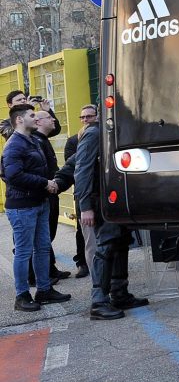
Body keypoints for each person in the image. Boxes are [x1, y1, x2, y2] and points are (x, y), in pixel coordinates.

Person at [55, 108, 150, 321]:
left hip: (116, 199)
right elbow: (81, 167)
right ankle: (99, 302)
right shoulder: (95, 133)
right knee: (105, 247)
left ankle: (119, 293)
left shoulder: (114, 131)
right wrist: (84, 205)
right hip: (101, 200)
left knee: (120, 243)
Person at [1, 103, 70, 311]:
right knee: (23, 252)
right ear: (19, 119)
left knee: (42, 248)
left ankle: (44, 290)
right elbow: (13, 175)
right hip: (22, 207)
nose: (36, 118)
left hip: (40, 202)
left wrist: (51, 183)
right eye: (32, 115)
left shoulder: (32, 140)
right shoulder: (14, 145)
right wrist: (44, 183)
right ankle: (22, 296)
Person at [29, 109, 71, 284]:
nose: (53, 119)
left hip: (51, 192)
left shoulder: (42, 139)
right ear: (38, 122)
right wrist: (47, 184)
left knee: (47, 235)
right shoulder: (35, 141)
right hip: (45, 193)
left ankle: (48, 270)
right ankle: (35, 276)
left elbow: (56, 128)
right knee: (40, 238)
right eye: (48, 117)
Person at [64, 104, 100, 278]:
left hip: (98, 196)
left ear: (97, 116)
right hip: (85, 196)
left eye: (89, 116)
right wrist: (57, 182)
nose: (85, 119)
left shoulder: (99, 134)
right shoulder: (74, 140)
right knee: (87, 237)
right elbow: (75, 169)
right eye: (83, 117)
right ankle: (85, 267)